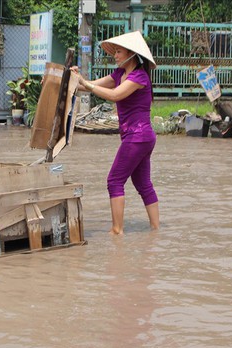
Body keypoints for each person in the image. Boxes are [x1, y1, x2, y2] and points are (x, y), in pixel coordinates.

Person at [71, 30, 159, 235]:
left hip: (137, 136)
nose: (115, 56)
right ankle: (156, 230)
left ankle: (117, 230)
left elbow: (115, 95)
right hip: (141, 137)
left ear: (131, 54)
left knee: (114, 181)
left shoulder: (139, 76)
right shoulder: (120, 74)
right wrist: (77, 79)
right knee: (143, 183)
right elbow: (89, 86)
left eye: (118, 52)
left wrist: (86, 84)